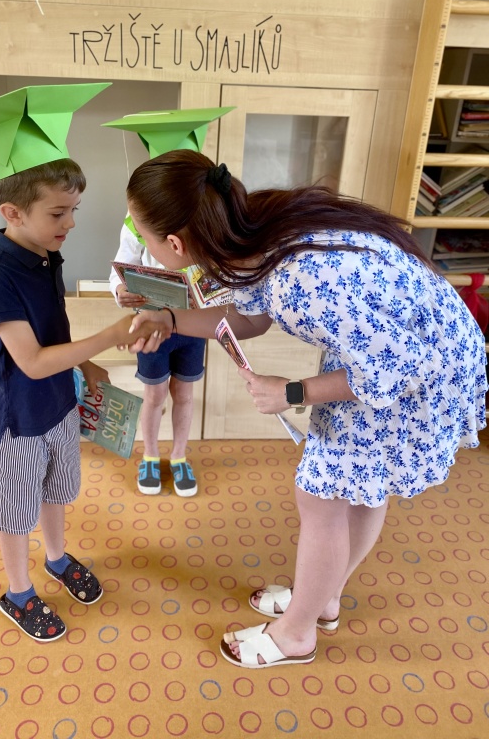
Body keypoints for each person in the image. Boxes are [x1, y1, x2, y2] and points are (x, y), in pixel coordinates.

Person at [127, 149, 488, 668]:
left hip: (417, 369)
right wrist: (169, 318)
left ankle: (296, 633)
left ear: (175, 244)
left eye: (143, 235)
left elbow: (391, 370)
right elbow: (249, 318)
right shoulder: (252, 230)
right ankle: (323, 598)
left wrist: (292, 392)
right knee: (355, 489)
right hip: (401, 348)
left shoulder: (299, 282)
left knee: (321, 496)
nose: (143, 246)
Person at [0, 84, 161, 642]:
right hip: (17, 418)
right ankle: (18, 592)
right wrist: (107, 338)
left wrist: (87, 369)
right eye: (58, 213)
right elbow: (32, 361)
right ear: (12, 212)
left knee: (55, 490)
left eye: (74, 210)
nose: (71, 223)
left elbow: (53, 330)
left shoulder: (46, 254)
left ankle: (57, 557)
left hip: (58, 404)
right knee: (16, 509)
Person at [109, 219, 204, 496]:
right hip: (151, 322)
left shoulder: (203, 216)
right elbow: (121, 269)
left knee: (184, 394)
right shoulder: (135, 222)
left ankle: (178, 456)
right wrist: (121, 291)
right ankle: (150, 455)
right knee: (154, 395)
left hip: (194, 323)